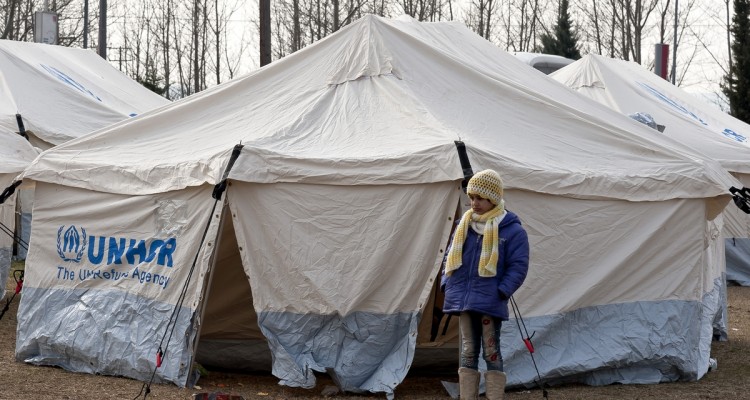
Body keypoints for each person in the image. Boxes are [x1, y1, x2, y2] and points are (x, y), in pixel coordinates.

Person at [441, 169, 530, 400]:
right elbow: (448, 257)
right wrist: (446, 284)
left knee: (491, 351)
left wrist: (502, 291)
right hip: (464, 299)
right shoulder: (464, 225)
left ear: (493, 198)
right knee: (468, 351)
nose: (474, 203)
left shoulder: (513, 230)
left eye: (480, 198)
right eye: (471, 197)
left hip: (490, 300)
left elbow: (518, 266)